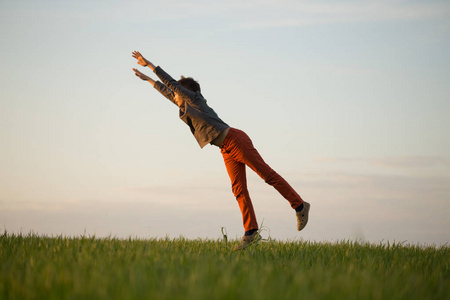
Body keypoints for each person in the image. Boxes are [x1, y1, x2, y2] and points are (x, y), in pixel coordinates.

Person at [131, 51, 310, 250]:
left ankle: (300, 205)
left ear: (185, 93)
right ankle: (251, 232)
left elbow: (171, 84)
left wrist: (150, 65)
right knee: (238, 189)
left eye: (177, 93)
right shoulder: (185, 107)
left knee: (267, 175)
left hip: (236, 141)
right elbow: (167, 92)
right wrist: (147, 79)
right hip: (225, 149)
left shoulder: (195, 100)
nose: (174, 96)